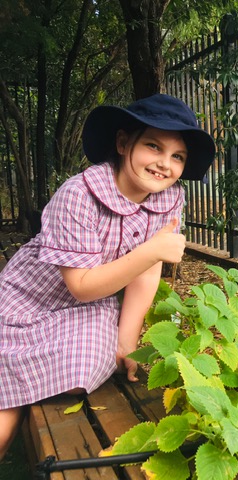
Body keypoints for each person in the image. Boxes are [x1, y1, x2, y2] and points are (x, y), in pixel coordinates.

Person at [0, 93, 215, 459]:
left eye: (177, 156)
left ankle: (19, 382)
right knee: (18, 388)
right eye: (153, 146)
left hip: (90, 303)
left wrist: (127, 341)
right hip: (32, 298)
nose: (165, 164)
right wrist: (150, 251)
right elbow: (81, 286)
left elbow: (146, 276)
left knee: (93, 363)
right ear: (122, 142)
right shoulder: (80, 194)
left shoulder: (168, 200)